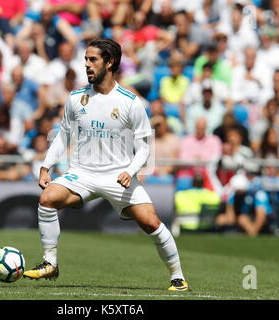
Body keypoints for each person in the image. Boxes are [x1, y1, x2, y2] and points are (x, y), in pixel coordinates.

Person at [23, 39, 189, 292]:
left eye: (93, 60)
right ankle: (50, 263)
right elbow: (63, 135)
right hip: (82, 174)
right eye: (86, 60)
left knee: (151, 223)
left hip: (117, 176)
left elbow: (144, 146)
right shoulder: (76, 98)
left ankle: (178, 277)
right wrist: (46, 166)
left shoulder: (130, 102)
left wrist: (130, 171)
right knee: (47, 198)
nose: (87, 65)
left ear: (110, 62)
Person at [215, 172, 272, 237]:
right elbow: (230, 217)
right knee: (221, 219)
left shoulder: (257, 194)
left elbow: (261, 216)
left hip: (259, 220)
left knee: (243, 219)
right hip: (242, 218)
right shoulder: (234, 195)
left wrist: (253, 230)